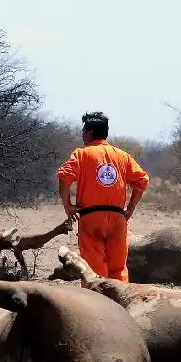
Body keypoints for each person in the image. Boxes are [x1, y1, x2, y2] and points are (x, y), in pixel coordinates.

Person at [56, 111, 150, 281]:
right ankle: (120, 297)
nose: (82, 135)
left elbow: (64, 177)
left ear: (90, 133)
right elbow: (142, 180)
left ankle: (97, 298)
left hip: (90, 218)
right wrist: (130, 209)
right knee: (118, 269)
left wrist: (68, 206)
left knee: (93, 271)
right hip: (117, 218)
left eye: (83, 131)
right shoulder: (122, 156)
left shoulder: (81, 154)